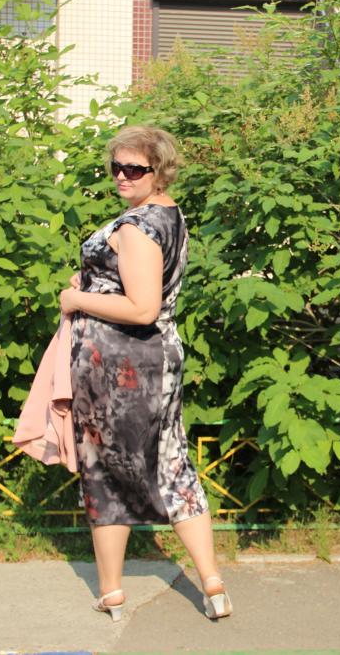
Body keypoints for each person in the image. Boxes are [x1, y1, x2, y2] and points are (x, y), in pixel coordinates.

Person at [58, 125, 231, 622]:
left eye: (135, 168)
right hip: (156, 360)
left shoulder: (138, 226)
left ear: (160, 171)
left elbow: (142, 307)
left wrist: (75, 298)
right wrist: (95, 282)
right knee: (172, 464)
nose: (122, 176)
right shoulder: (169, 214)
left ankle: (112, 591)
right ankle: (213, 584)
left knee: (105, 471)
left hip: (120, 368)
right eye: (116, 166)